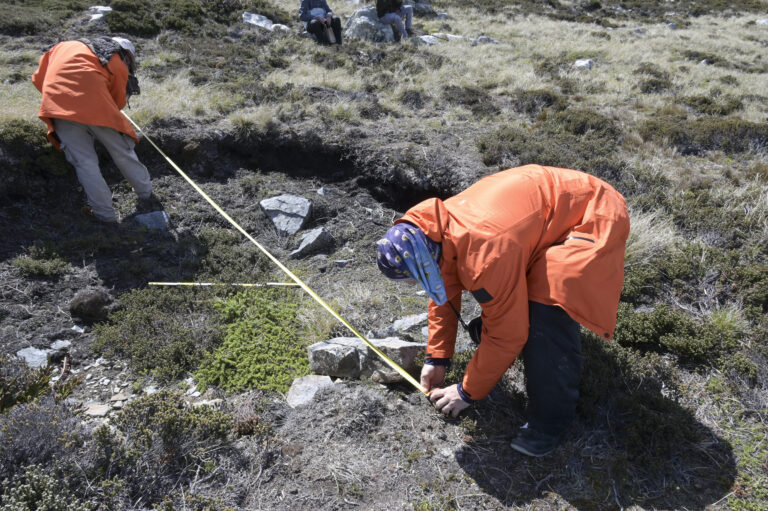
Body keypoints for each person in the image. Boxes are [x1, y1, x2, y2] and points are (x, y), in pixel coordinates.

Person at [376, 165, 630, 457]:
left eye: (411, 278)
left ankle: (549, 424)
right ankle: (516, 359)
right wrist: (438, 357)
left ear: (421, 260)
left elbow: (509, 334)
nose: (412, 285)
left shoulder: (484, 252)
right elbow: (441, 288)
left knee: (545, 308)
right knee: (508, 313)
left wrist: (466, 392)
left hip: (594, 211)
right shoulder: (431, 232)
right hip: (551, 209)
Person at [32, 36, 152, 224]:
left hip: (58, 107)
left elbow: (39, 78)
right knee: (122, 151)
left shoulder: (62, 47)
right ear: (127, 55)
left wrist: (64, 95)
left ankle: (105, 216)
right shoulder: (117, 60)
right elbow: (118, 101)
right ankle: (146, 194)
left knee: (85, 163)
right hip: (97, 107)